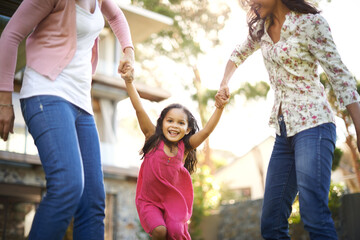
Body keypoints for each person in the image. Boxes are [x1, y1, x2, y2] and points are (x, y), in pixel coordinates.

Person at [216, 0, 360, 239]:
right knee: (271, 224)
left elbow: (340, 75)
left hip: (314, 126)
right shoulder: (260, 29)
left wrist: (358, 126)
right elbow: (237, 53)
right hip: (284, 132)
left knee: (314, 214)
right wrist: (224, 82)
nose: (250, 3)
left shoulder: (310, 24)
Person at [0, 0, 134, 239]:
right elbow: (10, 35)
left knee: (93, 200)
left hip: (81, 103)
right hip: (45, 94)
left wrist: (128, 51)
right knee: (68, 185)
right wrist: (4, 101)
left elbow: (117, 17)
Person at [121, 67, 229, 239]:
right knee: (160, 230)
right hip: (149, 201)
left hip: (173, 202)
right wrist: (129, 82)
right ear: (161, 123)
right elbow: (139, 109)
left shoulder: (184, 148)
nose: (174, 126)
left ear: (187, 130)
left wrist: (219, 107)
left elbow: (207, 131)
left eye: (180, 123)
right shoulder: (153, 138)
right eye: (170, 120)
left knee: (177, 233)